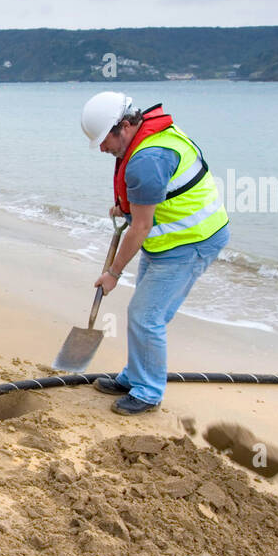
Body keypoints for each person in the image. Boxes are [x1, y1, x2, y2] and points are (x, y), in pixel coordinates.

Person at [79, 92, 230, 414]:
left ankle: (148, 392)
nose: (102, 149)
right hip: (168, 238)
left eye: (104, 140)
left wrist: (113, 273)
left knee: (147, 317)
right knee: (143, 314)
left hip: (190, 242)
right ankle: (134, 376)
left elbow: (141, 228)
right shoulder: (148, 136)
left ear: (123, 126)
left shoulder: (148, 160)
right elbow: (155, 199)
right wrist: (127, 207)